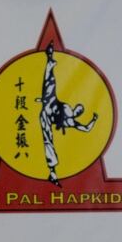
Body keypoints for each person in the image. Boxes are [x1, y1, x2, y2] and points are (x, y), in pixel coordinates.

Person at [39, 43, 97, 187]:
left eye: (79, 111)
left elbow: (86, 129)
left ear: (78, 114)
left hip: (48, 116)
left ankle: (52, 173)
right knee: (50, 85)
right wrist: (43, 100)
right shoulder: (67, 108)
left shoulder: (71, 121)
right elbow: (53, 97)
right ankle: (50, 59)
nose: (77, 109)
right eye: (78, 107)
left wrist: (94, 120)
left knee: (48, 141)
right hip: (50, 106)